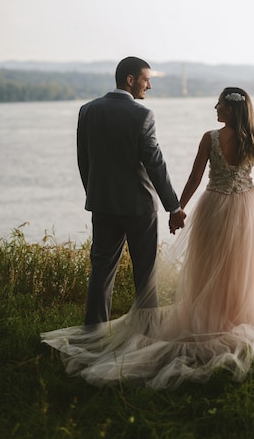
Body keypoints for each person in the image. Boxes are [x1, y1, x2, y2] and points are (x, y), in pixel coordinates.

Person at [42, 87, 254, 389]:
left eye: (219, 104)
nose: (215, 108)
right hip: (247, 211)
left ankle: (211, 322)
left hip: (213, 209)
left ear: (229, 110)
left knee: (209, 267)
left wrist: (180, 210)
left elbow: (194, 177)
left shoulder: (210, 138)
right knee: (240, 270)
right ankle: (236, 320)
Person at [76, 56, 186, 324]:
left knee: (100, 272)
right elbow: (155, 164)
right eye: (146, 80)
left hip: (102, 204)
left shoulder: (87, 110)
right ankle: (148, 335)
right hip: (139, 208)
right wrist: (174, 206)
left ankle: (94, 335)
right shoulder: (142, 115)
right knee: (145, 275)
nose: (149, 86)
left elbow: (84, 160)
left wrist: (96, 193)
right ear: (130, 80)